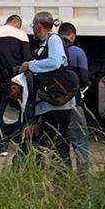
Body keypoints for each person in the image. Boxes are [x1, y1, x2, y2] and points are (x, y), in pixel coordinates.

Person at [19, 12, 73, 166]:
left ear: (38, 25)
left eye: (33, 25)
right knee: (50, 143)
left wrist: (30, 65)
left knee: (58, 144)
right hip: (48, 102)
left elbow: (55, 62)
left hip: (57, 103)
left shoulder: (53, 39)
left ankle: (62, 178)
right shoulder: (45, 43)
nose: (33, 29)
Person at [0, 15, 32, 155]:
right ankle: (23, 142)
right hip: (17, 81)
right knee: (23, 111)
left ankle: (1, 145)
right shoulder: (21, 35)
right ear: (17, 24)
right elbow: (27, 60)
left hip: (0, 80)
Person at [58, 22, 91, 173]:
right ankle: (82, 179)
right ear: (72, 35)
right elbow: (84, 79)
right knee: (80, 143)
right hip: (73, 104)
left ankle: (61, 178)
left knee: (59, 143)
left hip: (52, 106)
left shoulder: (48, 51)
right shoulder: (77, 52)